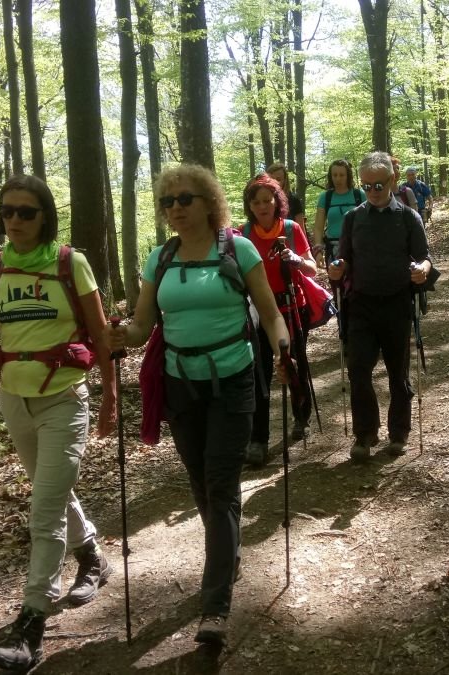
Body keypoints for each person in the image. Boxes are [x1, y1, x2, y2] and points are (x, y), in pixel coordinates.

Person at [104, 164, 290, 647]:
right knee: (201, 482)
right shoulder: (160, 258)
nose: (176, 209)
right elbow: (142, 327)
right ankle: (228, 555)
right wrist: (119, 335)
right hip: (180, 385)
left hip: (233, 379)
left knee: (221, 484)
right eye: (168, 202)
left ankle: (215, 606)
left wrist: (283, 346)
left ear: (209, 202)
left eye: (185, 199)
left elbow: (269, 312)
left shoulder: (238, 249)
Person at [0, 175, 114, 671]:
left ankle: (31, 624)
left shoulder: (70, 263)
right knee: (53, 492)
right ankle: (92, 556)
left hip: (64, 398)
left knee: (43, 510)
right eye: (7, 211)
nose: (15, 220)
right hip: (14, 399)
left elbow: (101, 334)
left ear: (45, 216)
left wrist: (110, 396)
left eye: (26, 211)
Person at [327, 151, 432, 462]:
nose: (372, 191)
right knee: (358, 370)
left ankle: (399, 433)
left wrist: (422, 269)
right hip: (361, 304)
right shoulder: (353, 218)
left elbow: (424, 257)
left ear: (392, 180)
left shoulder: (408, 218)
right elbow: (344, 258)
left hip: (397, 302)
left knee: (398, 372)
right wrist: (337, 268)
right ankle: (365, 434)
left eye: (378, 185)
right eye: (367, 186)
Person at [241, 173, 316, 465]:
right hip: (257, 313)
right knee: (259, 372)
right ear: (249, 205)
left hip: (292, 307)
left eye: (267, 201)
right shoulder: (243, 234)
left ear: (277, 202)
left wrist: (296, 260)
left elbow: (312, 268)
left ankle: (301, 417)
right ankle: (258, 439)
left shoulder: (291, 229)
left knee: (295, 364)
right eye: (256, 202)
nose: (262, 206)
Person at [312, 159, 365, 265]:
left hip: (357, 248)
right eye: (335, 175)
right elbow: (318, 227)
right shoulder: (325, 197)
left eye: (342, 175)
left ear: (348, 176)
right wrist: (318, 250)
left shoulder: (359, 195)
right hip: (333, 249)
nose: (338, 179)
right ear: (330, 177)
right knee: (335, 275)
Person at [265, 162, 306, 231]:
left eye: (278, 179)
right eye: (271, 179)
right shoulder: (262, 201)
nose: (274, 182)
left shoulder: (294, 200)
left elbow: (301, 230)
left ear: (285, 181)